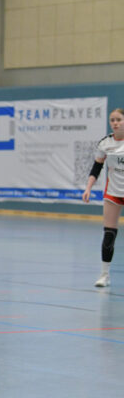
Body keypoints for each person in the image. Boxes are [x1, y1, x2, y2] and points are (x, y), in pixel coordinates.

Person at [82, 108, 124, 288]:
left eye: (119, 119)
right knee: (109, 233)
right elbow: (97, 167)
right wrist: (88, 188)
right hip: (113, 193)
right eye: (112, 120)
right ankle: (104, 275)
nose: (115, 123)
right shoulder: (105, 143)